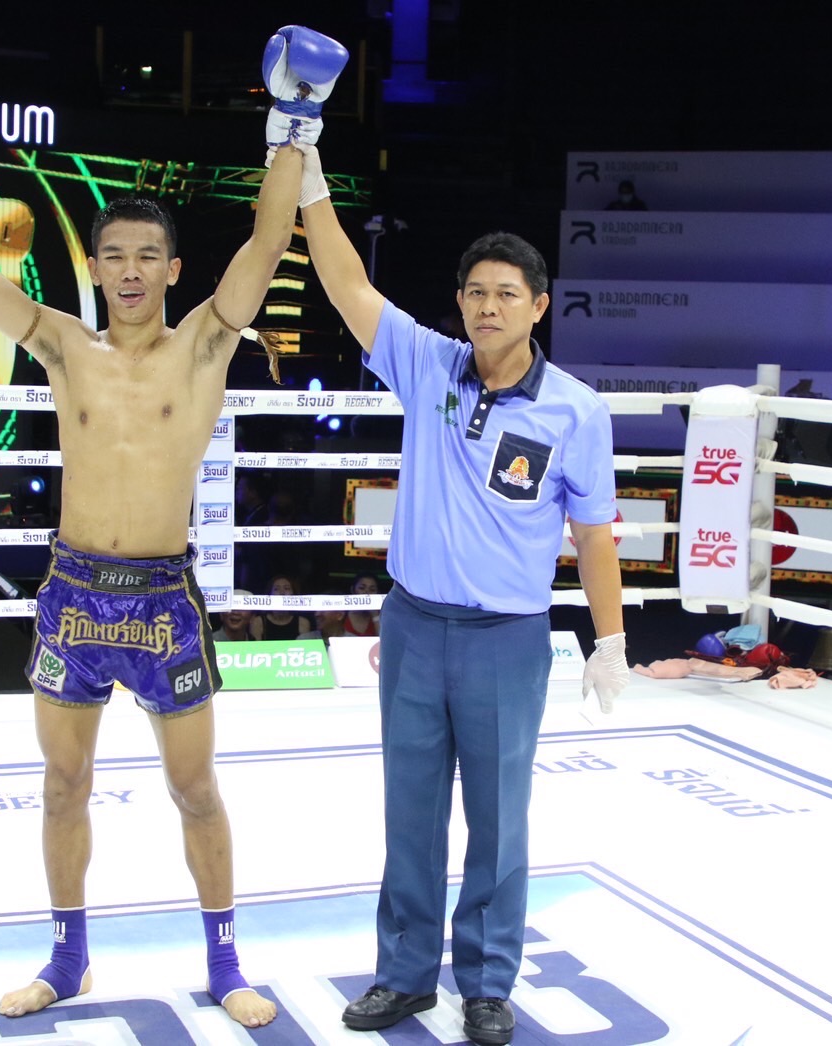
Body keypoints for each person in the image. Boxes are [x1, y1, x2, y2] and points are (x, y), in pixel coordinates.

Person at [0, 24, 346, 1029]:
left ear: (173, 269)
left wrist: (294, 124)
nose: (131, 270)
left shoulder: (204, 345)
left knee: (196, 790)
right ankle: (67, 960)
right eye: (115, 257)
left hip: (162, 599)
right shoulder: (63, 345)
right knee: (63, 784)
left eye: (148, 256)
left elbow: (267, 241)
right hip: (72, 596)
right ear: (96, 268)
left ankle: (226, 961)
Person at [300, 143, 631, 1044]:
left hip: (507, 641)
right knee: (410, 813)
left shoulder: (577, 409)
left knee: (497, 820)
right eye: (476, 292)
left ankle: (486, 981)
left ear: (539, 306)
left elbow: (594, 536)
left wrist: (610, 640)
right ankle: (404, 975)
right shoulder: (427, 363)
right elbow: (343, 282)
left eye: (507, 294)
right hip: (414, 625)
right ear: (460, 302)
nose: (489, 307)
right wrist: (312, 178)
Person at [253, 575, 311, 640]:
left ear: (293, 594)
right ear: (269, 594)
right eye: (276, 589)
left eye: (286, 588)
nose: (282, 593)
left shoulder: (303, 622)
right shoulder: (258, 622)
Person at [342, 570, 381, 637]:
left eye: (372, 590)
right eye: (362, 588)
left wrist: (375, 616)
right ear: (352, 590)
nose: (367, 593)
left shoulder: (382, 616)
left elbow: (386, 640)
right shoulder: (341, 615)